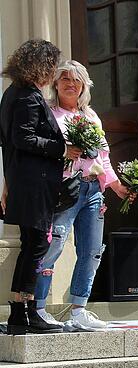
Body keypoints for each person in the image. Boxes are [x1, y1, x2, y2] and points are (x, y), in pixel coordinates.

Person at [31, 60, 134, 330]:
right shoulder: (49, 114)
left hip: (92, 191)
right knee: (52, 246)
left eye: (76, 80)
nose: (70, 84)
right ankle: (38, 308)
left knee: (91, 251)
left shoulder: (91, 116)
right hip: (64, 190)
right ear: (56, 83)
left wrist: (115, 186)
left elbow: (104, 158)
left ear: (84, 86)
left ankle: (79, 309)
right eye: (65, 78)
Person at [0, 39, 73, 334]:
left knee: (32, 245)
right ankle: (25, 312)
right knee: (37, 244)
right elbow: (23, 139)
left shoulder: (11, 93)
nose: (53, 73)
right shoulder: (28, 97)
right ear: (40, 65)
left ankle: (22, 312)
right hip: (34, 183)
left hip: (24, 180)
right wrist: (62, 149)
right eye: (52, 66)